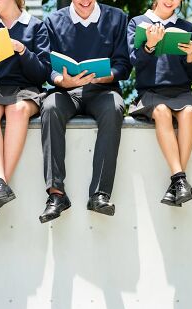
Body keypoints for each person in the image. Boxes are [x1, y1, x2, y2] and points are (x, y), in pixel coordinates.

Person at [39, 0, 132, 223]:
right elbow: (46, 67)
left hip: (103, 90)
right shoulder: (53, 21)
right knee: (50, 107)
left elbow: (124, 64)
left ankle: (100, 194)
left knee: (115, 108)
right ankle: (56, 194)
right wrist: (62, 80)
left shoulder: (117, 18)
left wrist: (108, 75)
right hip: (66, 92)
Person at [0, 0, 51, 214]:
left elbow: (41, 74)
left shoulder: (36, 26)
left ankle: (0, 185)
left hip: (26, 90)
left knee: (18, 109)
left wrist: (22, 50)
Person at [127, 0, 192, 207]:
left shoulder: (188, 28)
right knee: (161, 111)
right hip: (151, 91)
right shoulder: (138, 23)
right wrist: (150, 45)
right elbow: (133, 61)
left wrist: (191, 56)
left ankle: (177, 181)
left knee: (188, 112)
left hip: (182, 92)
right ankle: (179, 179)